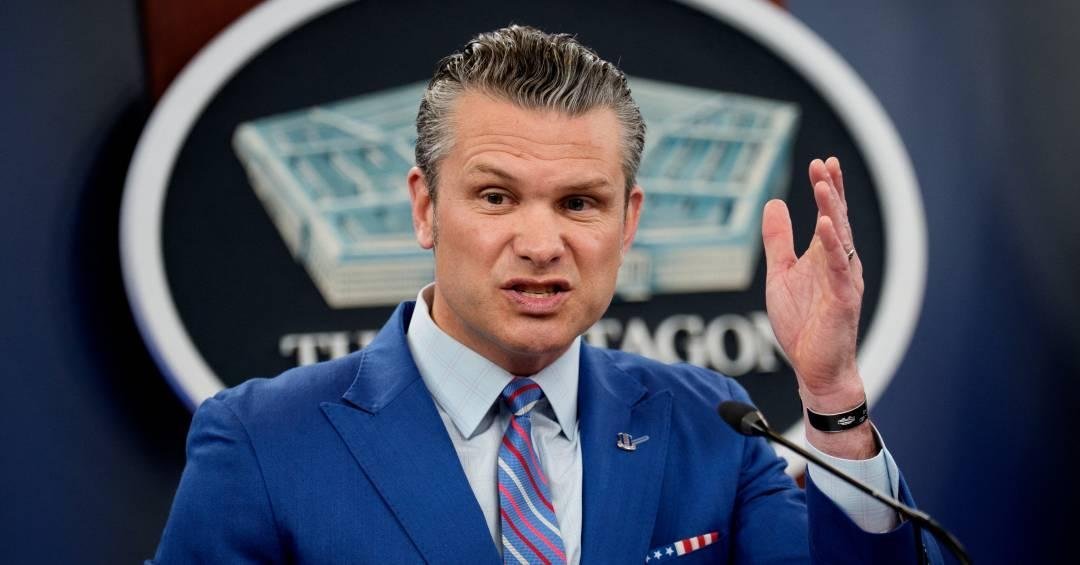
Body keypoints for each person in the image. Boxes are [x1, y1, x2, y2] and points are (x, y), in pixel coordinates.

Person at [150, 26, 942, 564]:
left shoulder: (709, 423)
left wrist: (832, 396)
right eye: (496, 197)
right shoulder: (263, 441)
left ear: (627, 221)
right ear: (425, 208)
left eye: (579, 202)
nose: (539, 242)